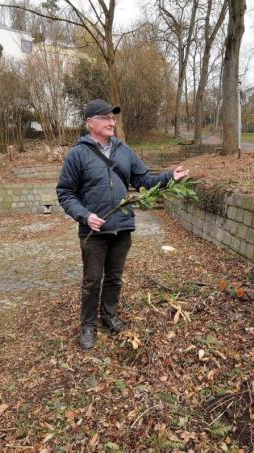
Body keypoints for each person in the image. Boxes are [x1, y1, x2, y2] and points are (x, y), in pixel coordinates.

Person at [56, 99, 189, 349]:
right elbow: (65, 192)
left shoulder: (124, 151)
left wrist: (169, 177)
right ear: (90, 123)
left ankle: (109, 316)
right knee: (92, 280)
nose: (111, 121)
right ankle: (87, 326)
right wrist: (85, 216)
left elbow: (144, 180)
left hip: (122, 226)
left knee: (115, 278)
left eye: (113, 118)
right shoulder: (78, 154)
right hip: (94, 232)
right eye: (105, 117)